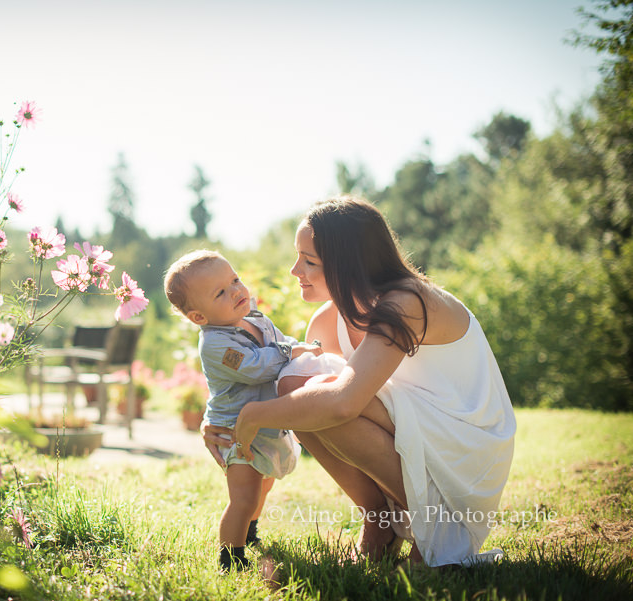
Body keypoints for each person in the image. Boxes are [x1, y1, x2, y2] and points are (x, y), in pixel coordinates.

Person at [202, 196, 516, 568]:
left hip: (464, 446)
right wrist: (220, 418)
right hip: (417, 430)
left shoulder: (406, 302)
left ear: (348, 264)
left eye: (309, 261)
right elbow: (291, 396)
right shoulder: (326, 321)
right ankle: (378, 519)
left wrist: (254, 415)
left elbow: (344, 402)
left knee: (315, 393)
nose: (294, 270)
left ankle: (434, 524)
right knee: (295, 385)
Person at [164, 250, 325, 572]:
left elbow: (283, 341)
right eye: (221, 292)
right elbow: (254, 367)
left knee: (264, 484)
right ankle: (231, 557)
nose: (237, 291)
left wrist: (301, 348)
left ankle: (249, 532)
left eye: (234, 280)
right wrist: (291, 351)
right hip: (234, 431)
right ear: (198, 316)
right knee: (244, 496)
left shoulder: (256, 320)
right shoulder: (215, 344)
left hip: (265, 423)